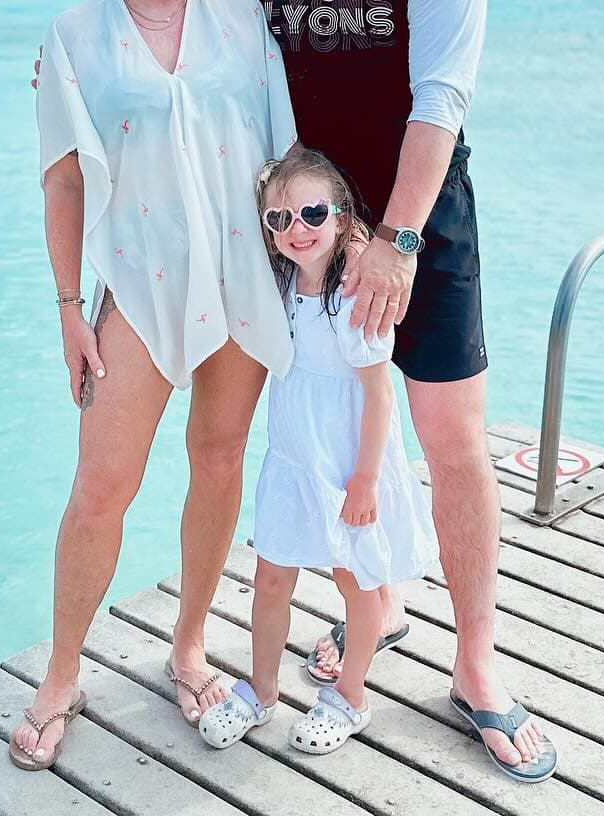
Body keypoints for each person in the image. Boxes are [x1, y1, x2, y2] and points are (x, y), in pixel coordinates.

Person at [228, 0, 557, 782]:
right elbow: (217, 76)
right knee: (323, 436)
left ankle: (475, 665)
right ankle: (373, 613)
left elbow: (439, 101)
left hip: (422, 228)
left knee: (450, 440)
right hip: (312, 238)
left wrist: (402, 240)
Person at [10, 0, 297, 771]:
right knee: (102, 489)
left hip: (243, 274)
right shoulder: (74, 36)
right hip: (133, 286)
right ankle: (61, 673)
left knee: (217, 463)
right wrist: (67, 309)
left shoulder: (246, 22)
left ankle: (187, 646)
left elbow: (286, 152)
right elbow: (61, 182)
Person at [197, 146, 437, 755]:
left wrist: (363, 482)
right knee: (271, 576)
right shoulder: (283, 285)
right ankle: (262, 689)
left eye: (310, 213)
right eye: (279, 219)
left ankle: (350, 696)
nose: (295, 229)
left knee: (355, 583)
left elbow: (378, 396)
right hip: (293, 458)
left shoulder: (354, 293)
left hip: (349, 463)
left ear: (340, 213)